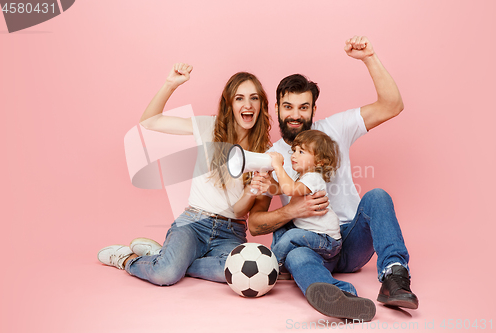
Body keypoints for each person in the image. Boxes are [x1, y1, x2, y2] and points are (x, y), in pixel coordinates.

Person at [248, 36, 419, 322]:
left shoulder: (335, 128)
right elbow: (254, 224)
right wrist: (293, 210)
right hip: (311, 245)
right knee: (298, 257)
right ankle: (342, 296)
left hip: (350, 240)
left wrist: (369, 58)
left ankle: (394, 277)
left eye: (304, 107)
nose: (295, 114)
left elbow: (392, 105)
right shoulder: (272, 156)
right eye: (288, 106)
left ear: (314, 110)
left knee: (377, 196)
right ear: (276, 108)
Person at [97, 63, 272, 286]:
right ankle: (129, 260)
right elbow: (150, 121)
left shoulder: (265, 153)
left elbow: (238, 211)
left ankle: (168, 257)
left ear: (261, 104)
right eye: (239, 98)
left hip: (231, 231)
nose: (247, 104)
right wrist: (170, 85)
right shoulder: (209, 126)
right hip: (194, 223)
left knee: (231, 274)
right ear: (229, 104)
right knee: (166, 274)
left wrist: (251, 190)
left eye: (254, 98)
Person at [267, 130, 342, 273]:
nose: (294, 155)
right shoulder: (302, 177)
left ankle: (270, 266)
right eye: (294, 150)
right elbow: (281, 189)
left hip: (327, 241)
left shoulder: (313, 177)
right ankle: (280, 268)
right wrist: (269, 179)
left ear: (319, 161)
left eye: (301, 152)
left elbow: (289, 189)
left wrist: (278, 166)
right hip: (312, 233)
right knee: (279, 226)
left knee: (291, 235)